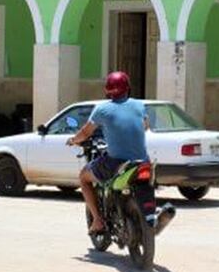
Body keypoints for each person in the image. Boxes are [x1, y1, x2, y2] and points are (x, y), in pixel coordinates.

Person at [67, 71, 173, 234]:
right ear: (127, 88)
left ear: (107, 90)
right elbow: (145, 127)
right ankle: (151, 216)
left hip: (116, 162)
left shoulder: (102, 109)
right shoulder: (139, 106)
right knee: (147, 180)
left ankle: (97, 220)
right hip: (142, 161)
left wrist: (73, 140)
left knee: (83, 177)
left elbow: (85, 133)